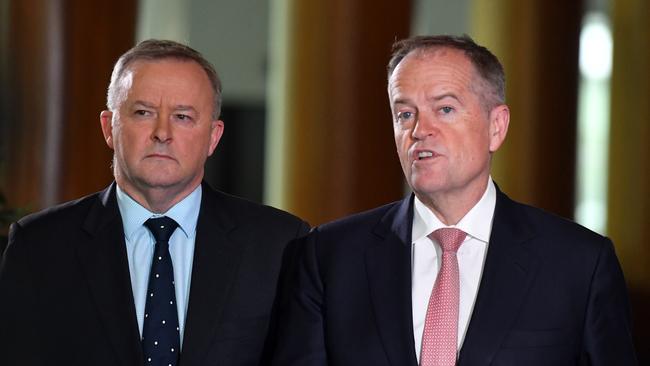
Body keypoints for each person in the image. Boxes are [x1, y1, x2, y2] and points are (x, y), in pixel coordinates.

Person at [271, 35, 637, 365]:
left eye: (444, 109)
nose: (419, 130)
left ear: (497, 126)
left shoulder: (579, 263)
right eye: (404, 114)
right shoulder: (328, 256)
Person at [0, 39, 309, 366]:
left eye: (183, 116)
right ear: (109, 127)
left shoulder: (281, 245)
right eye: (144, 112)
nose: (162, 133)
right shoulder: (39, 246)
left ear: (214, 137)